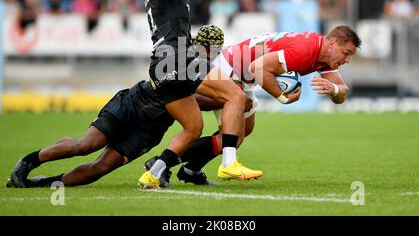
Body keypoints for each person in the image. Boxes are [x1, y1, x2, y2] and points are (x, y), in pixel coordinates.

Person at [6, 26, 252, 188]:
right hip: (133, 104)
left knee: (100, 168)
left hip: (151, 128)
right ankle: (28, 162)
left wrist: (230, 97)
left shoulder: (206, 69)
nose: (213, 54)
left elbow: (196, 99)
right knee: (85, 146)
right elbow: (192, 97)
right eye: (212, 49)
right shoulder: (186, 60)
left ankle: (40, 184)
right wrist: (232, 97)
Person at [158, 25, 362, 185]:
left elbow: (342, 91)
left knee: (245, 130)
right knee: (233, 136)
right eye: (346, 53)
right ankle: (163, 163)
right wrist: (283, 97)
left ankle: (189, 170)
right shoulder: (307, 48)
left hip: (243, 73)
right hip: (232, 68)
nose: (347, 60)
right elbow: (258, 67)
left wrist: (334, 90)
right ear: (333, 43)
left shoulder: (324, 55)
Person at [139, 0, 261, 189]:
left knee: (193, 128)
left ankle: (154, 173)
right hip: (178, 56)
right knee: (235, 96)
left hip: (160, 65)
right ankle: (229, 163)